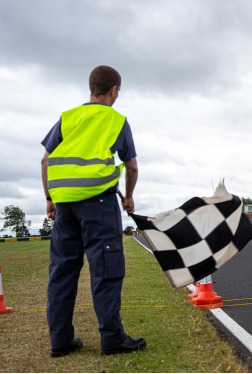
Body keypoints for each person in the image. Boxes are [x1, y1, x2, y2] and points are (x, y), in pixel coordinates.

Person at [41, 66, 145, 357]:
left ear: (91, 88)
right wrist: (130, 197)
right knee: (106, 270)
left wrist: (49, 198)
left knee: (62, 272)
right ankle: (112, 338)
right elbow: (132, 166)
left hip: (64, 206)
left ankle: (60, 341)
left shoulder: (68, 118)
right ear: (114, 90)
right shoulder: (116, 120)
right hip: (99, 204)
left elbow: (45, 161)